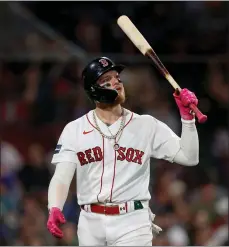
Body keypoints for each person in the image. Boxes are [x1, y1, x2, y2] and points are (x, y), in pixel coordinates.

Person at [46, 57, 199, 246]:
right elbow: (62, 176)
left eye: (117, 77)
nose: (116, 81)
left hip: (133, 221)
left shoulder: (146, 125)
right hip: (90, 223)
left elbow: (190, 157)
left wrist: (187, 120)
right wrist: (54, 206)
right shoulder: (74, 129)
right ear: (93, 89)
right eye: (106, 79)